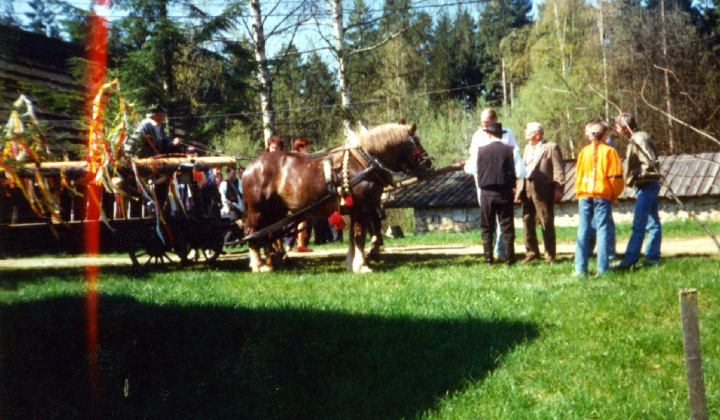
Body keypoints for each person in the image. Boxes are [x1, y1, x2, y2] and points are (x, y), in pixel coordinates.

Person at [467, 108, 521, 262]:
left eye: (487, 123)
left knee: (501, 221)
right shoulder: (478, 135)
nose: (485, 126)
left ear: (495, 120)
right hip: (484, 183)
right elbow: (473, 161)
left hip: (503, 183)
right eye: (482, 122)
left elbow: (514, 159)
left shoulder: (508, 133)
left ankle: (501, 253)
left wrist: (514, 182)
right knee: (490, 220)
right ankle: (494, 255)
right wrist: (478, 178)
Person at [612, 113, 662, 269]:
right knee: (653, 224)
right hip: (646, 185)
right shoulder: (635, 138)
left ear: (626, 127)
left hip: (648, 185)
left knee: (639, 225)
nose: (616, 130)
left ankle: (630, 260)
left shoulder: (639, 139)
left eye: (618, 126)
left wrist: (637, 179)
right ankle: (652, 259)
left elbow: (649, 163)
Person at [574, 121, 624, 276]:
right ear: (605, 134)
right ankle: (602, 269)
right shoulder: (610, 152)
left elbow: (578, 176)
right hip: (602, 195)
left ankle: (580, 269)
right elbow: (615, 177)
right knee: (602, 230)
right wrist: (614, 196)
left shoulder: (584, 151)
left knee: (583, 230)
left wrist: (580, 193)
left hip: (584, 195)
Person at [516, 122, 565, 263]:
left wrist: (559, 188)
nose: (526, 135)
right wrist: (519, 191)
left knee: (546, 221)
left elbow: (558, 170)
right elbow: (522, 170)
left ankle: (549, 255)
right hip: (527, 189)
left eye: (528, 133)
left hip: (544, 190)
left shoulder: (551, 147)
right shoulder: (526, 148)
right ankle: (531, 253)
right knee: (527, 221)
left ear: (537, 135)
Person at [475, 122, 517, 266]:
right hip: (505, 193)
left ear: (488, 134)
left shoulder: (480, 150)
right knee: (506, 226)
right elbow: (522, 172)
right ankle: (510, 260)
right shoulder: (510, 150)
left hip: (487, 193)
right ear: (501, 135)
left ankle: (488, 261)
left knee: (487, 226)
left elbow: (469, 168)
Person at [292, 138, 313, 253]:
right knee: (302, 219)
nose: (308, 149)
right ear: (300, 147)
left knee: (301, 219)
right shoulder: (300, 159)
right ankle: (300, 244)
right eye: (306, 147)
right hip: (300, 191)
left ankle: (300, 243)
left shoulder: (296, 158)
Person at [220, 166, 243, 245]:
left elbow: (241, 193)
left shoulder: (237, 182)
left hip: (239, 206)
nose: (234, 174)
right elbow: (223, 197)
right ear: (228, 173)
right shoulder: (224, 183)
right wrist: (229, 204)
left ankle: (237, 242)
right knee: (235, 224)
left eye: (235, 173)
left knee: (240, 224)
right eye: (233, 173)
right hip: (231, 207)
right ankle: (227, 242)